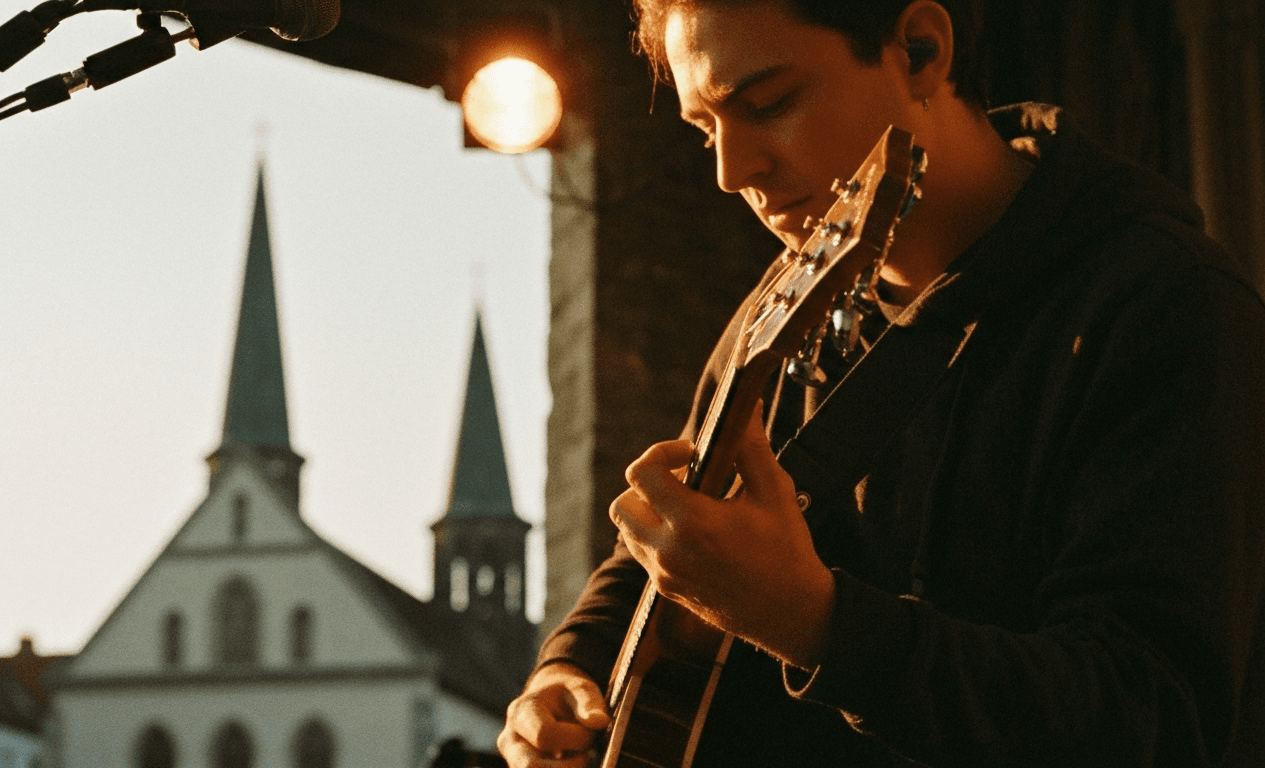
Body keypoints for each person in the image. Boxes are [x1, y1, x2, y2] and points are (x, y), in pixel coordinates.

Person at [498, 0, 1265, 765]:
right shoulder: (780, 303)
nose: (733, 173)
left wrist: (813, 623)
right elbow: (680, 542)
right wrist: (570, 664)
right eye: (706, 128)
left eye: (768, 103)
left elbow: (1152, 719)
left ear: (922, 51)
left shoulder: (1162, 301)